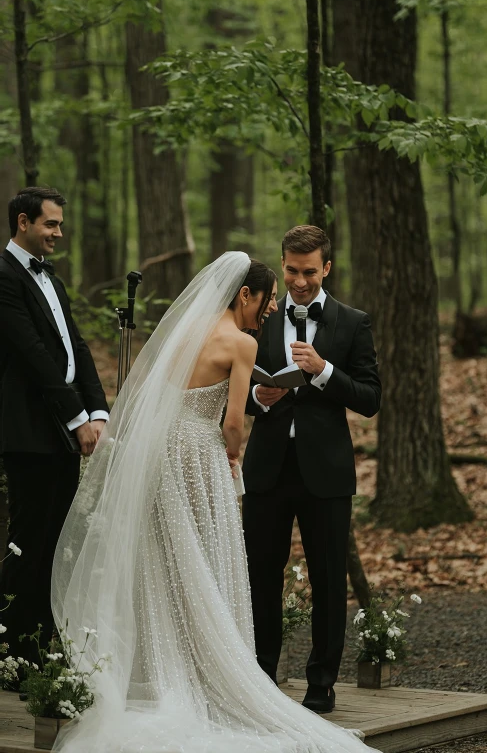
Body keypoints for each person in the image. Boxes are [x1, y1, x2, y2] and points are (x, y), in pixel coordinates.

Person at [51, 252, 379, 753]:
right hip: (202, 453)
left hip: (161, 453)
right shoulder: (242, 340)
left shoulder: (181, 330)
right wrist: (230, 455)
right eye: (268, 300)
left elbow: (154, 392)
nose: (270, 311)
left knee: (167, 559)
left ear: (327, 267)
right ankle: (218, 674)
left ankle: (167, 668)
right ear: (246, 294)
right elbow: (231, 421)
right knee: (209, 558)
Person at [242, 225, 381, 714]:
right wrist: (257, 397)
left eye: (308, 272)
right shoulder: (261, 317)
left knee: (326, 580)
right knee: (260, 576)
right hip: (267, 472)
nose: (299, 282)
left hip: (326, 473)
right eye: (291, 271)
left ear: (326, 268)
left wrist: (323, 371)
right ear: (282, 265)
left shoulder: (352, 322)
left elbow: (370, 398)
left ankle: (321, 682)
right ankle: (261, 677)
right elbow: (234, 385)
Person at [0, 187, 109, 666]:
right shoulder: (4, 277)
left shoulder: (53, 281)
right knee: (27, 541)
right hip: (28, 430)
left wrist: (99, 411)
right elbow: (34, 357)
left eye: (60, 224)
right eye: (51, 224)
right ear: (23, 222)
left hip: (63, 430)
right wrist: (77, 418)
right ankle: (15, 654)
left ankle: (43, 644)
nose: (59, 233)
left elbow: (77, 349)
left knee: (57, 544)